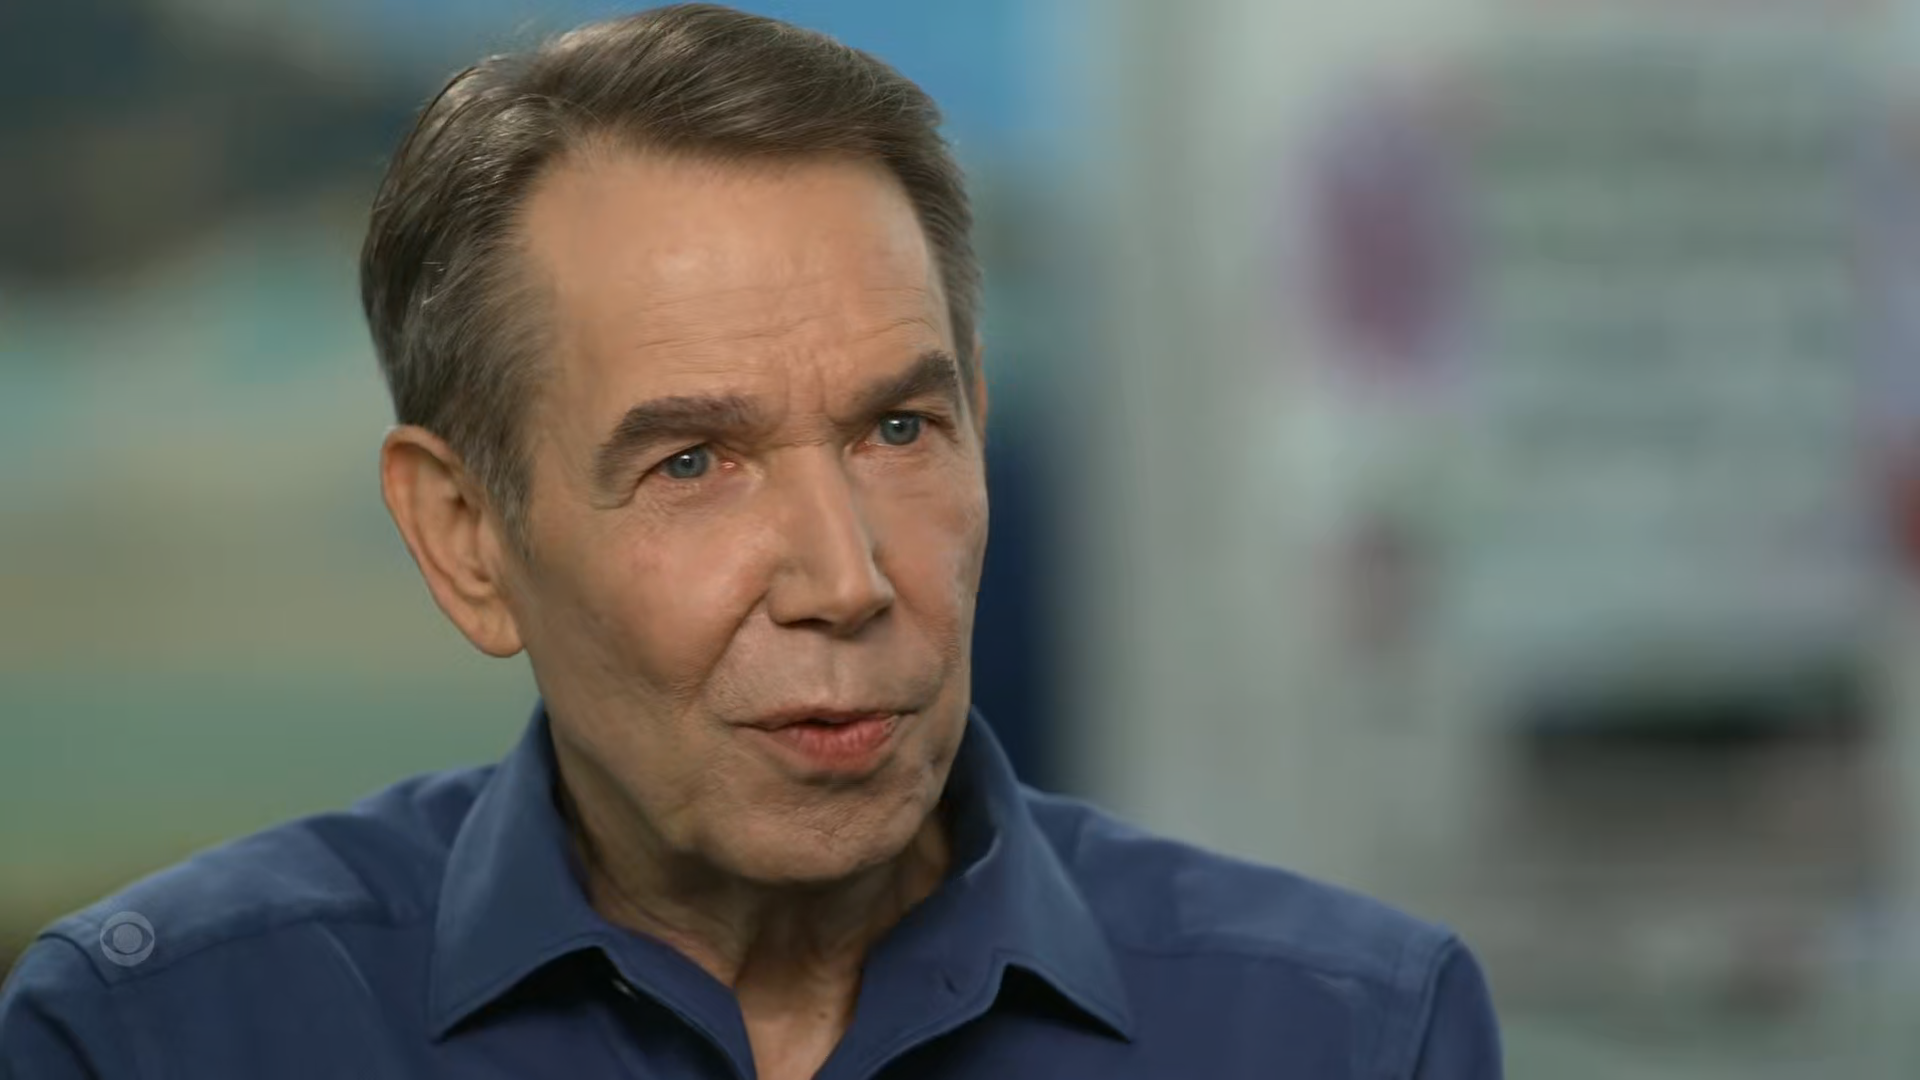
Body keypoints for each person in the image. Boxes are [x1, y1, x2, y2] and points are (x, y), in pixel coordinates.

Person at [0, 6, 1502, 1077]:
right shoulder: (158, 1035)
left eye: (899, 431)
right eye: (694, 463)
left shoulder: (1348, 1030)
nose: (847, 582)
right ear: (463, 537)